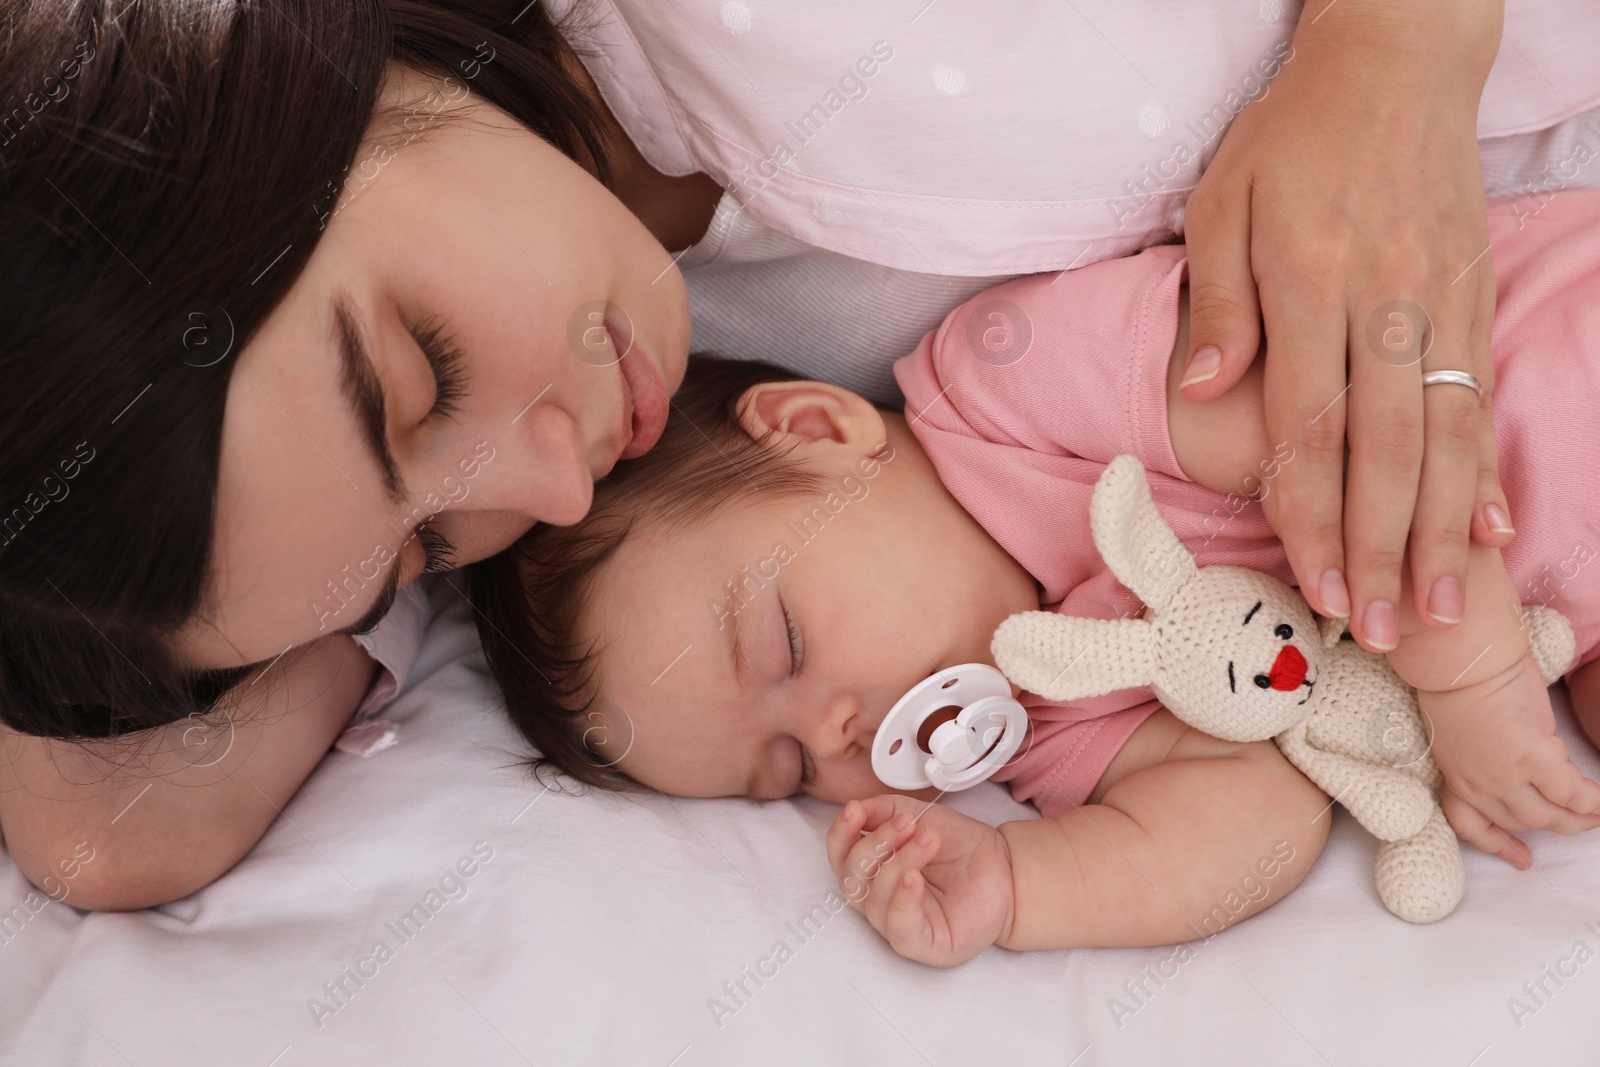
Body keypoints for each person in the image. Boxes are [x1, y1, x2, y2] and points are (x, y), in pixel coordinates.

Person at [1, 0, 1596, 910]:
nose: (553, 480)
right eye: (423, 552)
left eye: (421, 375)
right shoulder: (624, 520)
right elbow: (105, 829)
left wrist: (1391, 61)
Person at [473, 188, 1600, 963]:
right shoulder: (1042, 734)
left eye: (786, 647)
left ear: (816, 429)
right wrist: (1019, 889)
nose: (836, 736)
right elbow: (1255, 825)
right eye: (781, 769)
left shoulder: (1006, 384)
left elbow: (1344, 421)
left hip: (1541, 353)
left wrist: (1469, 676)